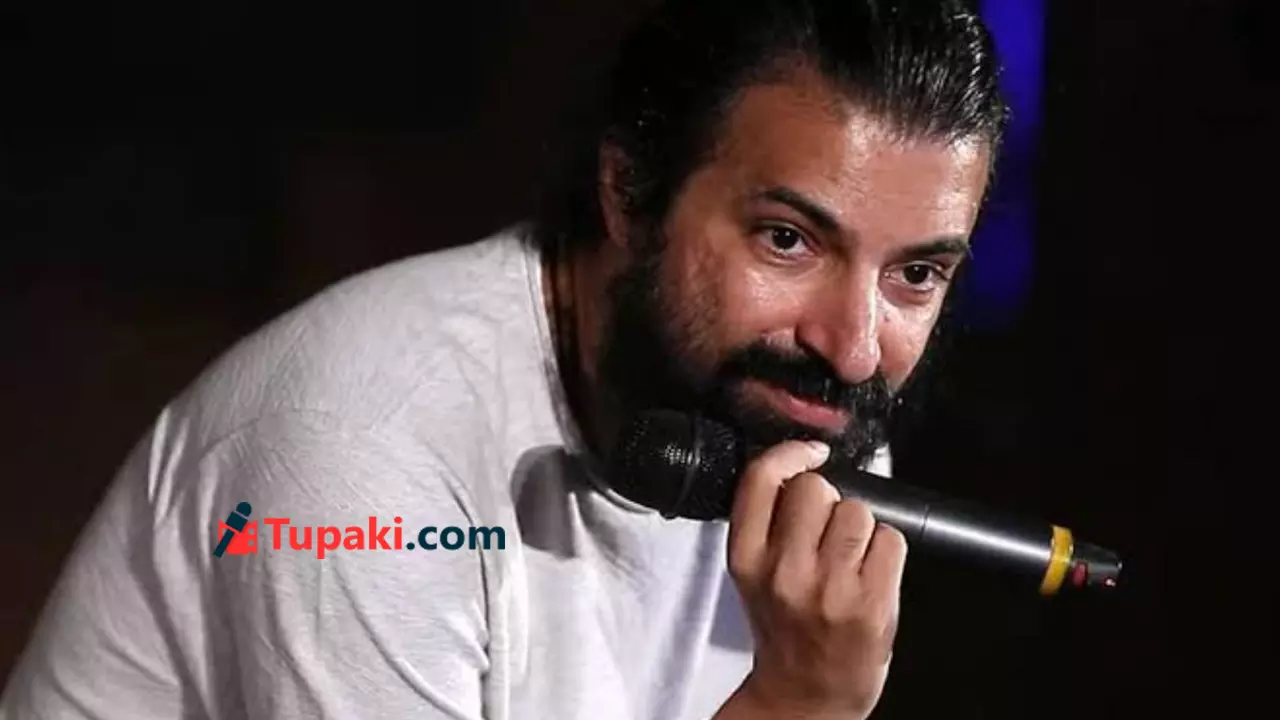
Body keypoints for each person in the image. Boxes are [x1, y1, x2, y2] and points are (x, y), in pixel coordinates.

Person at [0, 0, 1006, 717]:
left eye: (915, 274)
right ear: (629, 193)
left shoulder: (794, 413)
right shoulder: (360, 456)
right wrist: (796, 707)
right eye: (786, 240)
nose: (854, 347)